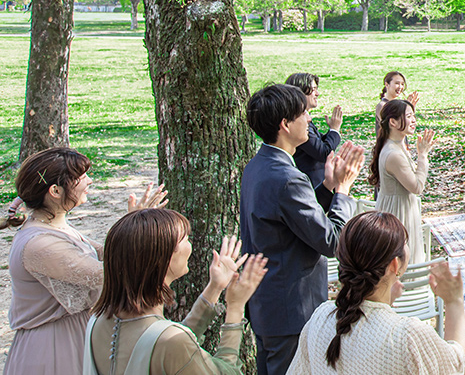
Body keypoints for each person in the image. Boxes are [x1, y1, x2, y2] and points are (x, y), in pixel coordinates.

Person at [3, 148, 166, 375]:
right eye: (81, 177)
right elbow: (109, 273)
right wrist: (137, 228)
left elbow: (106, 253)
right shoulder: (39, 244)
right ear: (55, 191)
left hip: (73, 339)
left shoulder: (54, 225)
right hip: (53, 352)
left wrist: (134, 225)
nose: (89, 180)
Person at [240, 83, 366, 375]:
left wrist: (327, 187)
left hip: (266, 304)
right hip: (290, 311)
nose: (310, 119)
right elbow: (333, 242)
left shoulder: (257, 166)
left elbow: (288, 220)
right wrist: (344, 192)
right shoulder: (286, 178)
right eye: (304, 113)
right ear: (285, 124)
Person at [85, 209, 269, 375]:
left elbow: (163, 346)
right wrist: (236, 307)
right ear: (163, 260)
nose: (191, 245)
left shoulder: (97, 320)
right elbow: (173, 346)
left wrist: (215, 288)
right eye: (185, 239)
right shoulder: (171, 342)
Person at [288, 212, 465, 375]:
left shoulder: (320, 317)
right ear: (395, 265)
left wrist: (386, 301)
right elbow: (456, 365)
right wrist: (454, 302)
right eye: (404, 243)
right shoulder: (408, 336)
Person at [370, 98, 433, 265]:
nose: (414, 121)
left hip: (400, 207)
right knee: (401, 262)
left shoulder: (396, 146)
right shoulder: (393, 154)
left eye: (414, 116)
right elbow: (417, 187)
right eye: (409, 116)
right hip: (398, 213)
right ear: (393, 122)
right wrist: (423, 156)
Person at [286, 72, 344, 188]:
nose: (317, 94)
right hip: (310, 186)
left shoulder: (304, 119)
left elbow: (318, 143)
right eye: (313, 90)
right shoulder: (295, 121)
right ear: (300, 92)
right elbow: (323, 152)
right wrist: (334, 130)